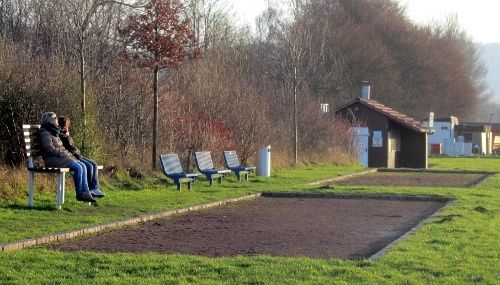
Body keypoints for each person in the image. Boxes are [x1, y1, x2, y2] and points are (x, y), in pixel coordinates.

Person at [39, 112, 96, 203]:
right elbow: (49, 148)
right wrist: (62, 152)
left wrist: (64, 152)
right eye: (54, 118)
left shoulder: (53, 131)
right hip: (53, 159)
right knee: (78, 167)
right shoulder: (45, 132)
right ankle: (79, 193)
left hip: (60, 158)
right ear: (49, 120)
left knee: (82, 166)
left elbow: (60, 146)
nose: (57, 120)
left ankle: (85, 192)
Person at [58, 116, 105, 198]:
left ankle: (95, 188)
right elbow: (71, 148)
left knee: (94, 164)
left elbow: (73, 147)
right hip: (74, 157)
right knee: (89, 166)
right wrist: (68, 136)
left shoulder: (65, 135)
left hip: (77, 155)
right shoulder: (63, 136)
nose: (67, 127)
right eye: (67, 126)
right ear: (65, 126)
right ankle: (91, 189)